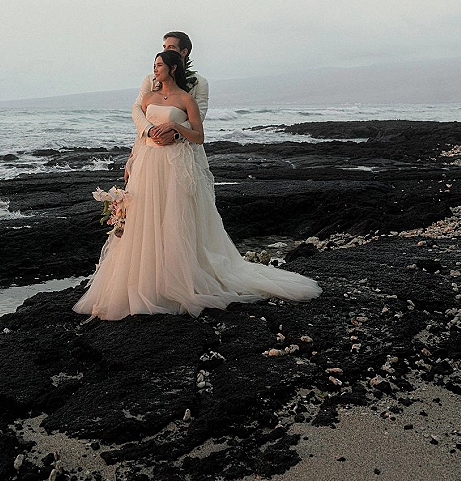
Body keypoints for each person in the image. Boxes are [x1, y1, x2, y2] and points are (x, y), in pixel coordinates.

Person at [73, 51, 321, 320]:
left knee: (173, 218)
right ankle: (145, 278)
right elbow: (140, 133)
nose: (154, 70)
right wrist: (132, 161)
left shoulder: (186, 98)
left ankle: (176, 280)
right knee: (146, 218)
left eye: (159, 65)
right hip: (148, 162)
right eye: (154, 65)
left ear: (173, 68)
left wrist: (174, 127)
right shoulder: (147, 97)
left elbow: (199, 136)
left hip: (173, 164)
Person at [124, 31, 208, 182]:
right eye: (164, 47)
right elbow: (138, 110)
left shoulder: (198, 83)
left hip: (183, 150)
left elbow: (198, 117)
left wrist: (175, 132)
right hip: (150, 149)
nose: (165, 51)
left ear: (184, 51)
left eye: (171, 47)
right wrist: (150, 132)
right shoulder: (151, 80)